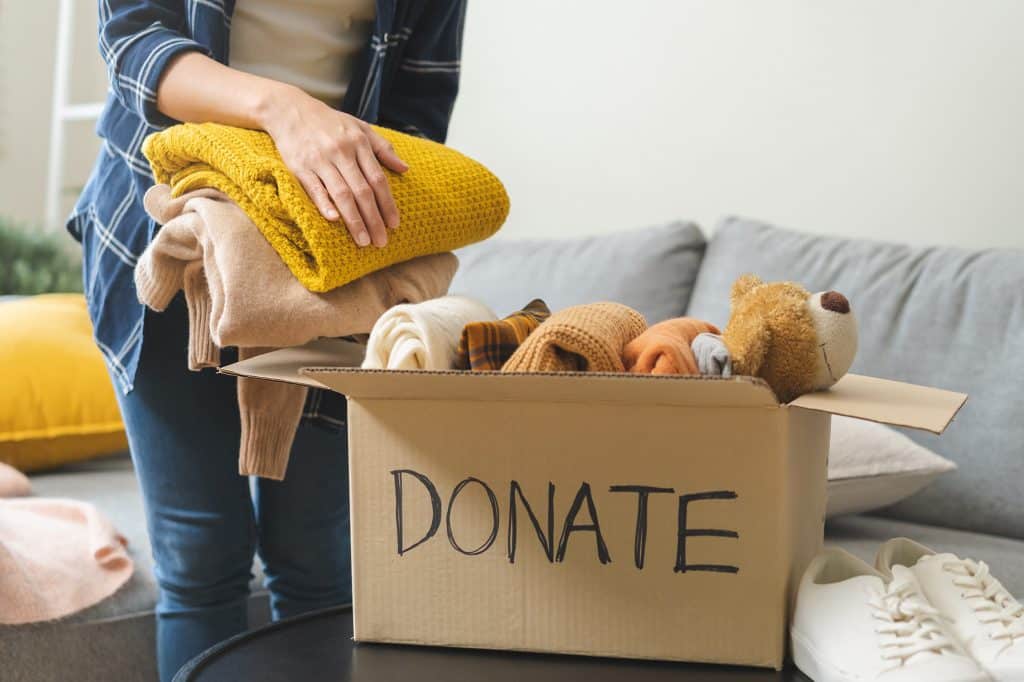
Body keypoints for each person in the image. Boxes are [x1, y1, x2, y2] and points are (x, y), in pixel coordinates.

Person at [67, 1, 467, 679]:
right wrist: (284, 111)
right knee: (200, 554)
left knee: (316, 554)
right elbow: (134, 43)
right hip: (167, 229)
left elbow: (417, 111)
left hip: (332, 255)